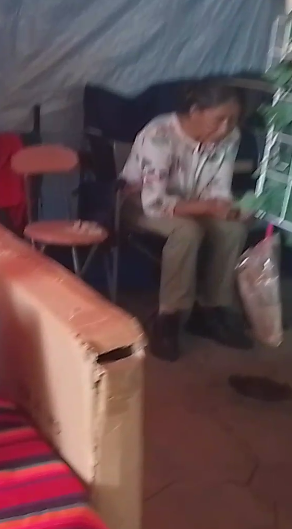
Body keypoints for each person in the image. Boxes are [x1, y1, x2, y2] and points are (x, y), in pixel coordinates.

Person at [121, 79, 252, 362]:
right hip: (140, 203)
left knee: (232, 230)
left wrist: (229, 208)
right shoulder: (159, 134)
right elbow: (154, 203)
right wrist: (206, 207)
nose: (226, 128)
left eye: (233, 120)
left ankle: (212, 309)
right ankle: (168, 317)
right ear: (195, 111)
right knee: (186, 232)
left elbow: (219, 188)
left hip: (193, 202)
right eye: (219, 119)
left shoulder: (230, 137)